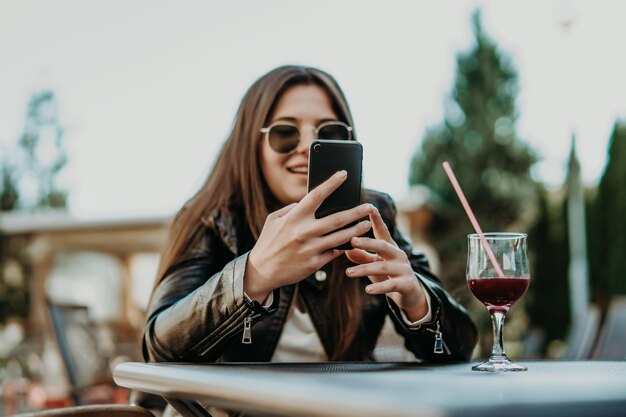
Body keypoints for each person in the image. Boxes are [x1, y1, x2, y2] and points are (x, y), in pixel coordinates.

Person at [142, 65, 477, 368]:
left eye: (328, 131)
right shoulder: (212, 220)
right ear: (251, 143)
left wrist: (418, 300)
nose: (307, 144)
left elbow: (461, 347)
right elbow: (158, 348)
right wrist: (253, 276)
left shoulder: (373, 215)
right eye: (285, 132)